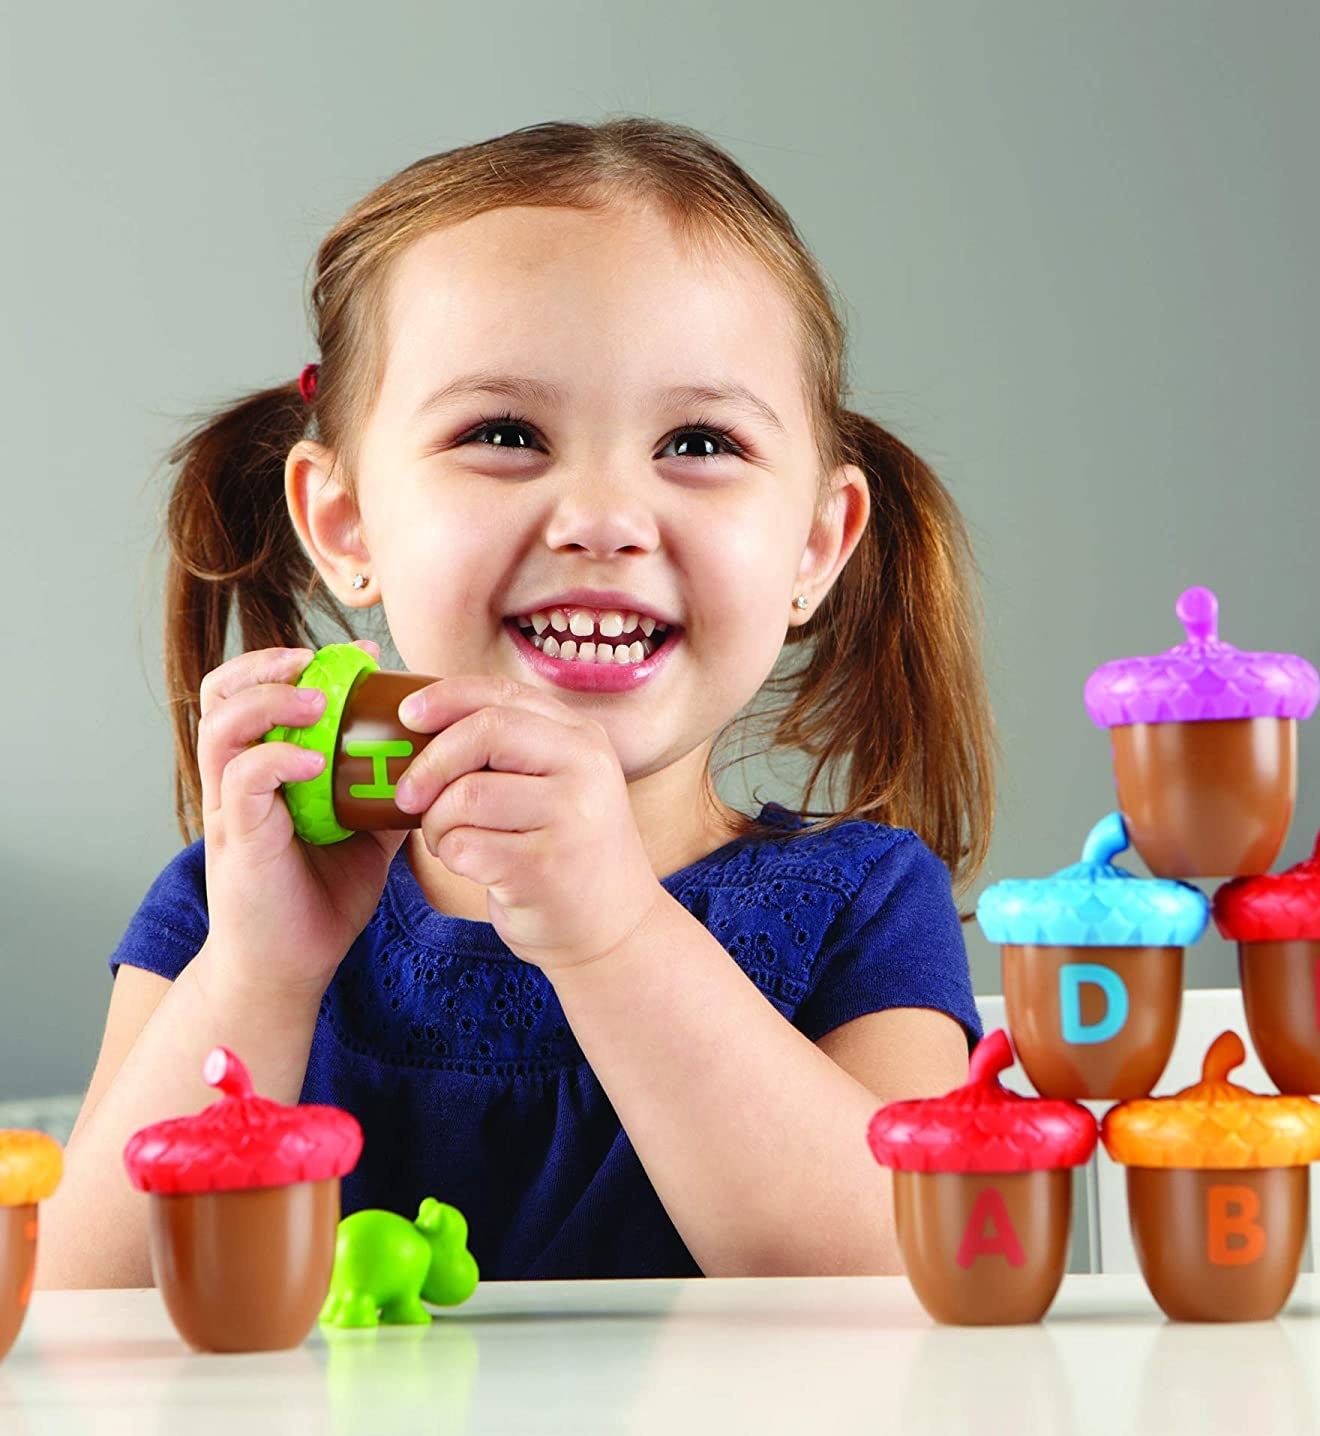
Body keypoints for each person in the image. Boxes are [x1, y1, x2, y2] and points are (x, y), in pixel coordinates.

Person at [38, 117, 998, 1288]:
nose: (603, 515)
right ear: (345, 525)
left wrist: (614, 936)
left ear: (814, 544)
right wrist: (259, 975)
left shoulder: (861, 905)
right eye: (503, 434)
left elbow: (910, 1275)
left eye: (697, 442)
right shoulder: (228, 913)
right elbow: (78, 1312)